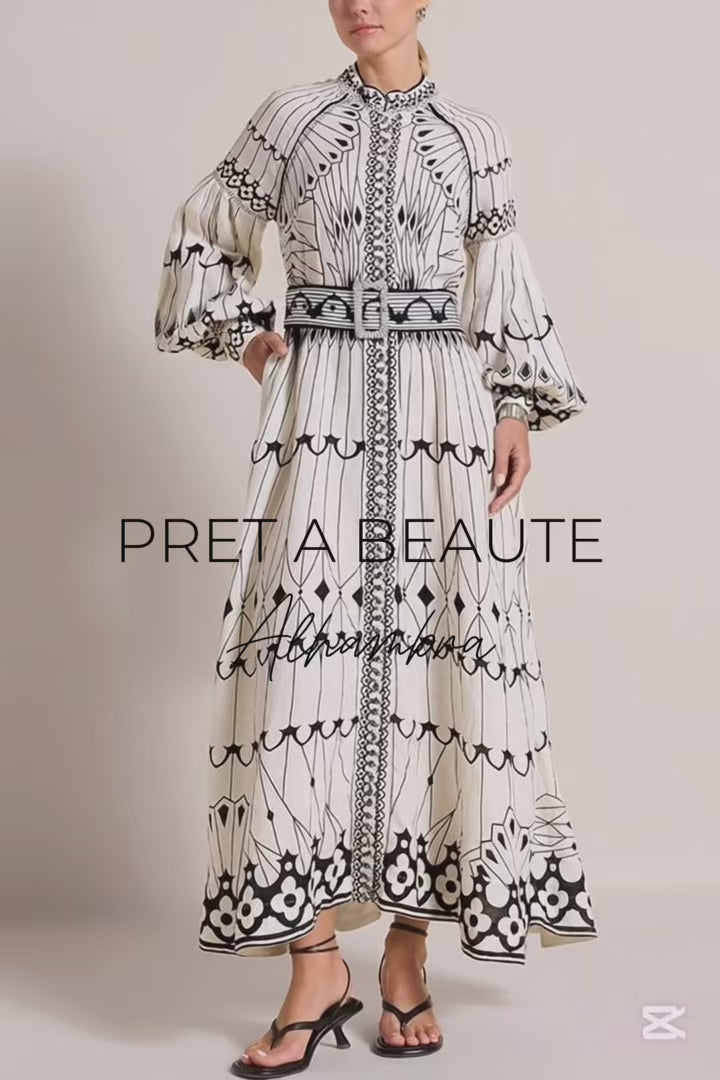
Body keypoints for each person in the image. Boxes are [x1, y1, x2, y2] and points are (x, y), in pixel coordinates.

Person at [154, 0, 598, 1074]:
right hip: (321, 412)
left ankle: (407, 953)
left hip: (445, 416)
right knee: (297, 670)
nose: (361, 3)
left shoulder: (473, 137)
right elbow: (206, 231)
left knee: (443, 669)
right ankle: (315, 967)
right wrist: (250, 339)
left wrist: (513, 406)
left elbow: (503, 278)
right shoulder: (291, 118)